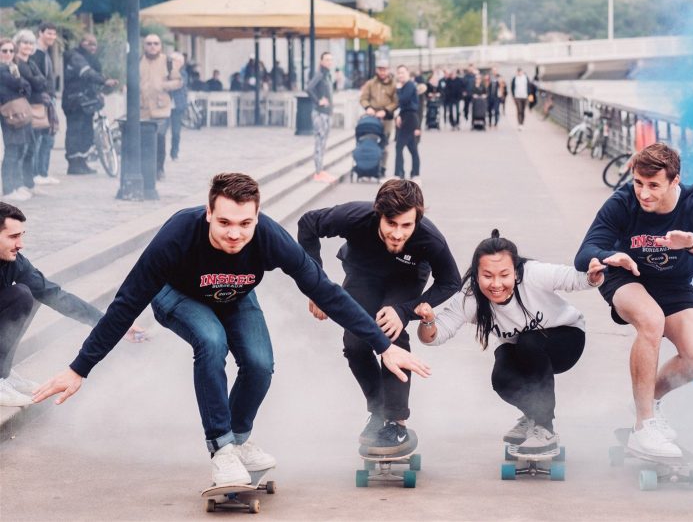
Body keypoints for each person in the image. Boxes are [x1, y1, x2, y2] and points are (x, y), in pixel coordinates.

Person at [32, 172, 430, 486]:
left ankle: (238, 440)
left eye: (245, 223)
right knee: (211, 341)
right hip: (177, 297)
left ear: (257, 217)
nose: (235, 233)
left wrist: (382, 345)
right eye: (224, 222)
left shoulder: (269, 237)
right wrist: (79, 368)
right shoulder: (177, 235)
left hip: (237, 296)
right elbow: (125, 305)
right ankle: (222, 449)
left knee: (260, 364)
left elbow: (326, 292)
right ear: (208, 213)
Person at [574, 142, 693, 457]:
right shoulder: (622, 202)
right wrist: (611, 256)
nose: (644, 193)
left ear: (674, 181)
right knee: (651, 320)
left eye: (653, 186)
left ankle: (651, 401)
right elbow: (584, 254)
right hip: (626, 277)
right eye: (638, 183)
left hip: (674, 285)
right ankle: (643, 426)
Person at [297, 180, 461, 456]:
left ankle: (396, 422)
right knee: (355, 342)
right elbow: (308, 223)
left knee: (390, 331)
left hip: (405, 281)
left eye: (406, 226)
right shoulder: (355, 216)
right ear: (378, 214)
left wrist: (406, 311)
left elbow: (450, 281)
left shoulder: (429, 238)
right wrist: (316, 285)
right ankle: (377, 413)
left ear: (417, 220)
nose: (398, 234)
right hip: (363, 274)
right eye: (391, 223)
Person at [415, 230, 606, 454]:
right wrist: (428, 321)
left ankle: (544, 428)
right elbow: (435, 336)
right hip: (521, 348)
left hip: (566, 339)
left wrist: (592, 276)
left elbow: (575, 279)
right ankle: (533, 415)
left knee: (529, 341)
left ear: (515, 273)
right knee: (501, 379)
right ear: (477, 275)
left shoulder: (534, 274)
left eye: (504, 275)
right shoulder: (470, 298)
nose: (496, 284)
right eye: (487, 276)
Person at [0, 202, 145, 406]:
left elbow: (54, 294)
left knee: (32, 294)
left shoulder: (15, 261)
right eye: (13, 237)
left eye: (22, 235)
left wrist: (111, 324)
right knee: (21, 294)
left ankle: (3, 372)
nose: (21, 244)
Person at [62, 34, 118, 175]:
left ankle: (82, 162)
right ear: (82, 43)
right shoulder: (75, 57)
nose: (93, 47)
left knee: (86, 131)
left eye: (95, 44)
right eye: (90, 44)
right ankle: (74, 164)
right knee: (75, 131)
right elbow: (86, 72)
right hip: (74, 101)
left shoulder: (89, 58)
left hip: (86, 101)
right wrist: (104, 80)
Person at [139, 35, 182, 180]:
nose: (152, 46)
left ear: (160, 46)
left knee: (159, 138)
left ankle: (159, 168)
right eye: (149, 43)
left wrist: (163, 86)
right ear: (144, 46)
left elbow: (177, 81)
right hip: (143, 107)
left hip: (161, 107)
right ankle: (145, 169)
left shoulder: (167, 61)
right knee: (143, 140)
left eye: (156, 43)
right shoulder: (138, 61)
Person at [13, 31, 47, 199]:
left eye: (31, 43)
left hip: (35, 106)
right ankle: (19, 184)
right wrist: (37, 81)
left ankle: (29, 182)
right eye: (24, 43)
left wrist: (37, 81)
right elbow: (32, 83)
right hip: (23, 109)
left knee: (32, 147)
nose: (28, 46)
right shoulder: (17, 64)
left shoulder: (32, 63)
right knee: (23, 148)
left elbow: (42, 80)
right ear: (18, 44)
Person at [0, 39, 34, 201]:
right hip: (8, 113)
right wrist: (21, 84)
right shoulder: (3, 69)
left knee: (20, 149)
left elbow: (27, 88)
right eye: (4, 51)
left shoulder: (12, 68)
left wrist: (21, 85)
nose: (8, 54)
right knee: (12, 150)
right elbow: (18, 83)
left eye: (11, 51)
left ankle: (16, 184)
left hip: (18, 111)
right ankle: (8, 188)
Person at [29, 23, 59, 186]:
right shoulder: (36, 54)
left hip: (49, 99)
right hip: (41, 100)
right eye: (49, 33)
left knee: (48, 136)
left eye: (54, 34)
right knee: (40, 137)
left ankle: (43, 172)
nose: (52, 37)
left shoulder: (46, 53)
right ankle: (36, 173)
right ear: (40, 33)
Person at [359, 62, 397, 175]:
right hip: (372, 117)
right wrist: (368, 107)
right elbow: (363, 98)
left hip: (386, 117)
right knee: (370, 141)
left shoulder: (393, 85)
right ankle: (370, 167)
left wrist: (385, 110)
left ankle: (383, 167)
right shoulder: (370, 83)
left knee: (384, 143)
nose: (382, 72)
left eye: (384, 69)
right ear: (377, 70)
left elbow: (396, 102)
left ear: (388, 70)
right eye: (380, 69)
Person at [308, 52, 335, 183]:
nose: (329, 62)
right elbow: (308, 88)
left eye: (331, 59)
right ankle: (318, 172)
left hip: (326, 113)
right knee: (319, 142)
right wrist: (318, 100)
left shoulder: (327, 75)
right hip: (319, 113)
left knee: (323, 142)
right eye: (327, 59)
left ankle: (321, 169)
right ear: (321, 61)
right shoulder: (319, 74)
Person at [393, 65, 421, 181]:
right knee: (411, 147)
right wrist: (398, 115)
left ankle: (400, 173)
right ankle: (413, 173)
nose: (400, 75)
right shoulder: (406, 86)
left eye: (403, 72)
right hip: (406, 117)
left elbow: (403, 100)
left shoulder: (409, 85)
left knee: (400, 146)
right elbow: (401, 105)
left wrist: (398, 89)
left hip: (410, 118)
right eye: (399, 73)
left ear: (408, 73)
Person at [168, 51, 188, 162]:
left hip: (177, 106)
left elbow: (179, 84)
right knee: (161, 132)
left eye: (175, 60)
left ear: (180, 62)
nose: (172, 62)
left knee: (176, 132)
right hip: (165, 105)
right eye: (171, 60)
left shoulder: (183, 73)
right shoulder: (165, 72)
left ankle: (174, 153)